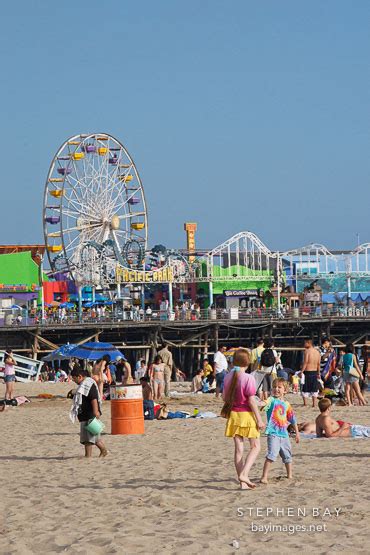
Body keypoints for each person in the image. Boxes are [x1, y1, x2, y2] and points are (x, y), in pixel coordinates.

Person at [222, 348, 265, 490]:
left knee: (239, 449)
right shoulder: (248, 378)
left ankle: (243, 483)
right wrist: (259, 419)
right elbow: (252, 401)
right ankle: (244, 474)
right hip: (247, 415)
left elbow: (224, 398)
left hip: (234, 415)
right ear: (248, 362)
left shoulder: (228, 377)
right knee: (255, 447)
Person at [260, 378, 299, 484]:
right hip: (273, 433)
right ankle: (264, 476)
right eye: (274, 387)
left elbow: (293, 419)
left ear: (285, 390)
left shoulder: (287, 404)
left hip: (284, 434)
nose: (276, 389)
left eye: (279, 387)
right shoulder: (271, 400)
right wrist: (258, 403)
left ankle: (289, 475)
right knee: (272, 455)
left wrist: (297, 433)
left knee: (287, 456)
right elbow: (264, 403)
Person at [70, 366, 108, 458]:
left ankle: (89, 455)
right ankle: (103, 450)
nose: (74, 381)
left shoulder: (88, 384)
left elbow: (93, 399)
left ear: (79, 376)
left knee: (89, 438)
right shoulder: (83, 385)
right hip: (84, 415)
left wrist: (96, 412)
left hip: (90, 414)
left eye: (74, 378)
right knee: (93, 437)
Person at [301, 339, 321, 407]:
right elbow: (318, 364)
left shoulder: (307, 351)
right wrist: (318, 373)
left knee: (305, 387)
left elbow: (305, 362)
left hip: (307, 371)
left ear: (309, 343)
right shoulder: (317, 352)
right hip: (315, 371)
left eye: (305, 343)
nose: (304, 345)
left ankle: (305, 403)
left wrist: (301, 371)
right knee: (314, 388)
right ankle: (314, 404)